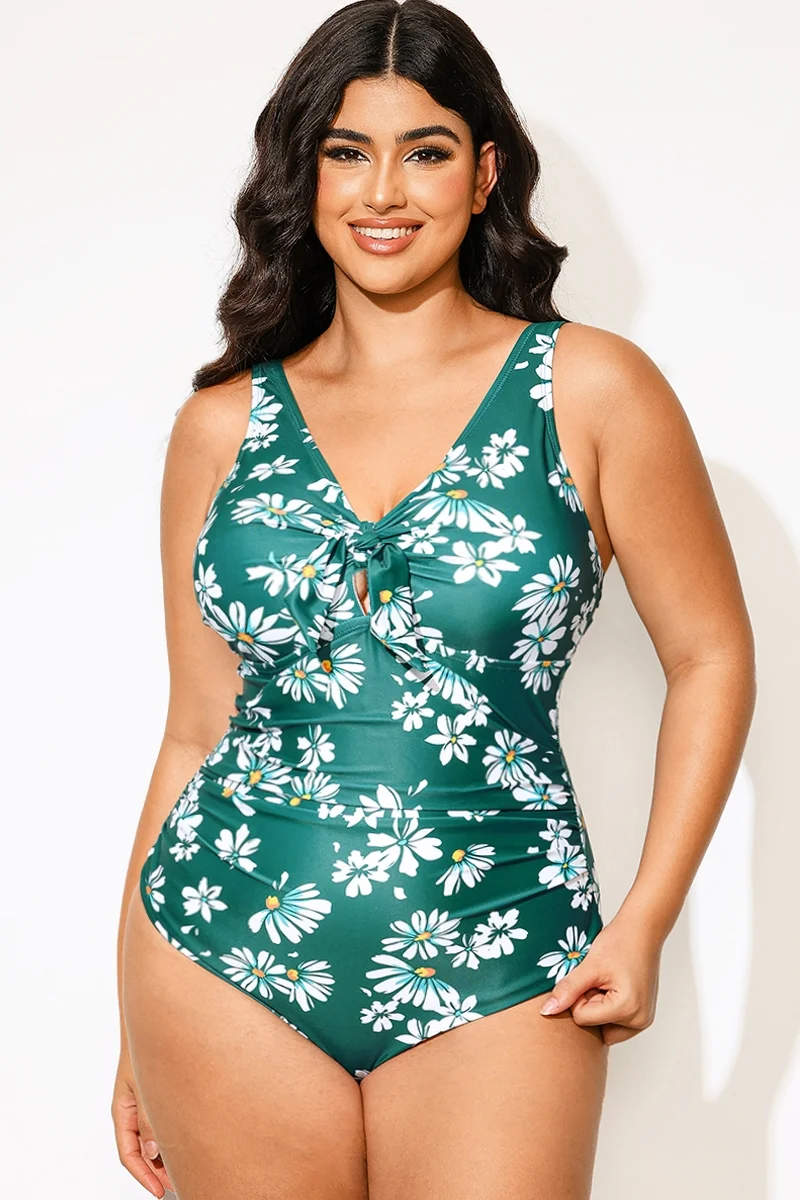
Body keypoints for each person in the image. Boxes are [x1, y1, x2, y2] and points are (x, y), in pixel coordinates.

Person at [113, 2, 756, 1197]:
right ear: (303, 176)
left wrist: (646, 920)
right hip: (216, 949)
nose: (381, 192)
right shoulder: (220, 426)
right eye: (345, 152)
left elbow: (709, 656)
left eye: (425, 151)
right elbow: (194, 729)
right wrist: (130, 1031)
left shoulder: (589, 387)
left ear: (484, 173)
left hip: (504, 945)